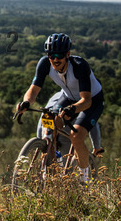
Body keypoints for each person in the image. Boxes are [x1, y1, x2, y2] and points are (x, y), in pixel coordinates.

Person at [17, 33, 105, 183]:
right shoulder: (44, 63)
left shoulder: (79, 66)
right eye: (52, 55)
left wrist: (73, 109)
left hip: (91, 100)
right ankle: (53, 168)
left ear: (68, 55)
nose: (55, 59)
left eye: (59, 55)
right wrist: (26, 102)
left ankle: (84, 178)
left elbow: (86, 101)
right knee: (50, 125)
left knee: (76, 136)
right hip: (68, 97)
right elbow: (33, 90)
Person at [36, 90, 104, 156]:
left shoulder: (56, 96)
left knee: (47, 153)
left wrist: (39, 141)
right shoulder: (81, 97)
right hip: (66, 125)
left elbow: (42, 119)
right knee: (66, 154)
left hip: (48, 121)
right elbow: (92, 123)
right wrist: (96, 146)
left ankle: (46, 160)